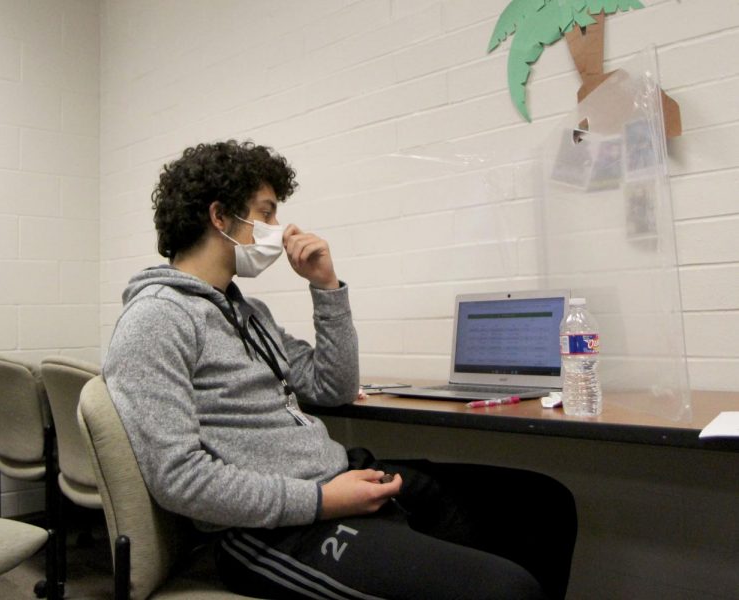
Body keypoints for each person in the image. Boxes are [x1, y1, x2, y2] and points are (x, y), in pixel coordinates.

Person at [104, 140, 577, 600]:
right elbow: (180, 480)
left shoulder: (248, 313)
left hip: (338, 478)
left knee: (543, 503)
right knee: (510, 589)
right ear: (220, 217)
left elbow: (333, 386)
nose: (278, 227)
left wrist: (326, 286)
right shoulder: (157, 319)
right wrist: (324, 501)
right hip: (266, 531)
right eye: (266, 212)